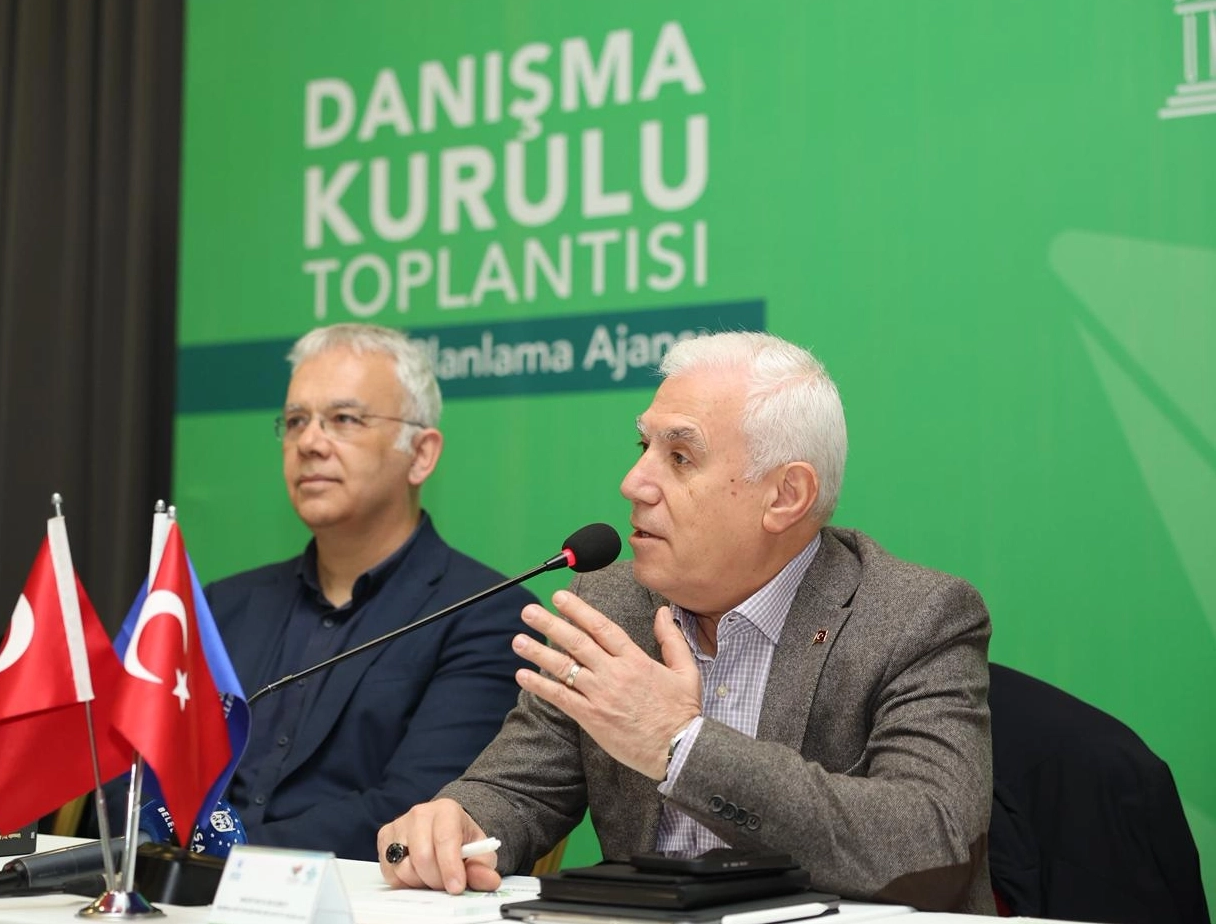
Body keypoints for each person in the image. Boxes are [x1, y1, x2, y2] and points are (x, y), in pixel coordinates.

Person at [378, 332, 994, 913]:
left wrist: (681, 746)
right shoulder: (610, 604)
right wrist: (456, 819)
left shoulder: (914, 616)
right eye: (642, 447)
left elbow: (932, 842)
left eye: (680, 456)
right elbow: (518, 790)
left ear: (785, 496)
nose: (633, 483)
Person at [202, 323, 533, 861]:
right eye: (295, 421)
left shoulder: (488, 616)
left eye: (344, 419)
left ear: (420, 454)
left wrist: (219, 856)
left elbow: (416, 809)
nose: (309, 443)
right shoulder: (224, 607)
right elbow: (140, 775)